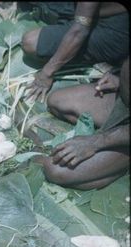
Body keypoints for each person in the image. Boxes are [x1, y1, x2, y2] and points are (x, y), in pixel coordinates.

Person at [37, 57, 129, 190]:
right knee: (57, 102)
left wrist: (96, 142)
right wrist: (120, 77)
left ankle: (121, 164)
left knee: (55, 170)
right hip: (124, 104)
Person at [20, 2, 129, 102]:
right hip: (86, 12)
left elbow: (79, 31)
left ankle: (86, 58)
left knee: (30, 43)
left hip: (113, 31)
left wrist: (47, 72)